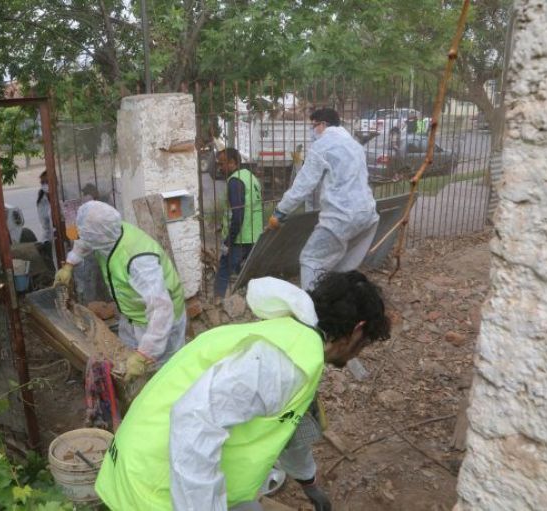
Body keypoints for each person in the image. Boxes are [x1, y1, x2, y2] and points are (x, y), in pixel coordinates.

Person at [95, 271, 391, 511]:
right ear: (356, 330)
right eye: (363, 345)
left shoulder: (293, 342)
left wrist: (309, 483)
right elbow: (194, 420)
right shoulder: (285, 360)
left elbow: (291, 431)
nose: (356, 355)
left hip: (142, 469)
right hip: (151, 490)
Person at [53, 201, 186, 380]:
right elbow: (85, 241)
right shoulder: (107, 232)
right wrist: (69, 264)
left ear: (99, 237)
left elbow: (162, 309)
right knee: (126, 358)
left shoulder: (139, 261)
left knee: (164, 373)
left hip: (160, 322)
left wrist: (144, 355)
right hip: (132, 315)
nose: (84, 239)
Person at [269, 107, 379, 292]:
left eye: (314, 126)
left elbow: (303, 184)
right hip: (367, 217)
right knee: (341, 267)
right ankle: (340, 305)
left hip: (342, 217)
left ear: (324, 125)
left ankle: (312, 310)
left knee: (311, 259)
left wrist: (281, 211)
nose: (312, 131)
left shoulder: (323, 145)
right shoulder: (355, 145)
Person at [214, 147, 264, 300]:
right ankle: (249, 300)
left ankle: (218, 302)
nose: (220, 168)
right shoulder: (250, 177)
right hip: (255, 235)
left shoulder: (235, 181)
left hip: (240, 238)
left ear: (232, 162)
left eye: (222, 164)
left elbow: (238, 215)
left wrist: (229, 241)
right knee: (246, 271)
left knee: (223, 269)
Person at [36, 169, 53, 244]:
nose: (45, 185)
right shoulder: (42, 201)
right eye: (42, 183)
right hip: (52, 239)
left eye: (47, 182)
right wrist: (45, 241)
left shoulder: (63, 193)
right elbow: (45, 227)